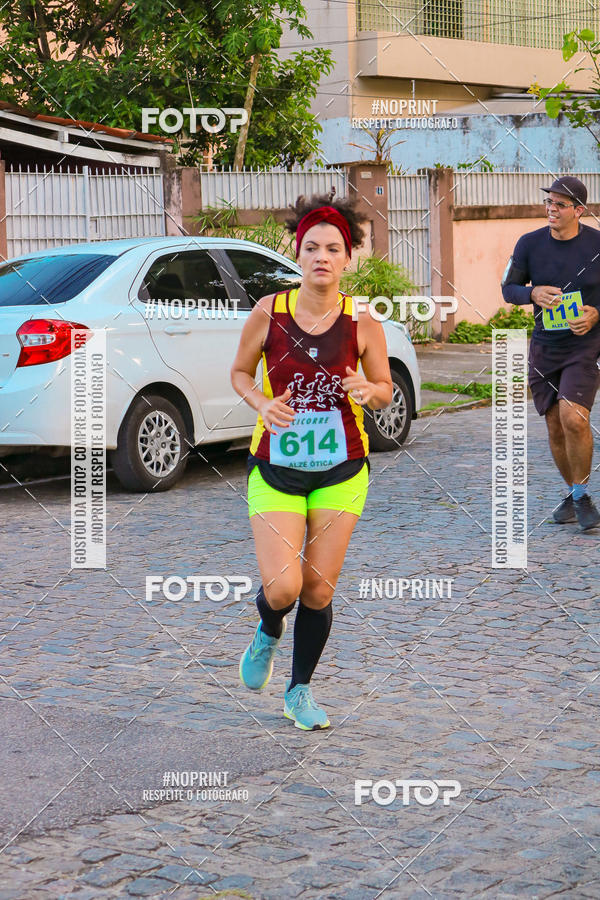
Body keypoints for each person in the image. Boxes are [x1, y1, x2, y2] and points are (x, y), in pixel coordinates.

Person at [230, 195, 393, 730]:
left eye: (333, 248)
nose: (322, 256)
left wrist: (369, 390)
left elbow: (385, 389)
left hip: (342, 467)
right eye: (312, 247)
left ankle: (298, 691)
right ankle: (267, 629)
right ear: (297, 254)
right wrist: (261, 403)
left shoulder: (363, 321)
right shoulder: (268, 312)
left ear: (349, 257)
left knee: (319, 588)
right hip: (275, 465)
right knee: (284, 588)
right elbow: (239, 373)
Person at [502, 175, 600, 531]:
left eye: (560, 204)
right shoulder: (529, 244)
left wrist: (596, 313)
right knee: (555, 426)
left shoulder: (597, 245)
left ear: (579, 210)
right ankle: (575, 494)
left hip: (584, 345)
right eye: (549, 202)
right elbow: (508, 288)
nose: (551, 209)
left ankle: (582, 496)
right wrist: (531, 293)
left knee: (574, 418)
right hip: (545, 347)